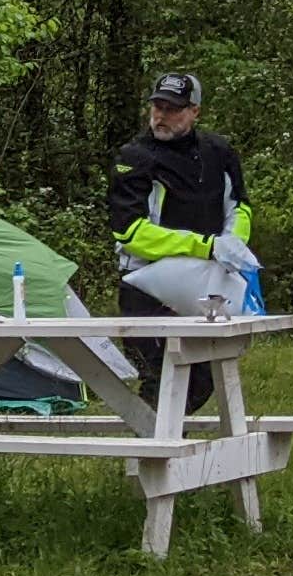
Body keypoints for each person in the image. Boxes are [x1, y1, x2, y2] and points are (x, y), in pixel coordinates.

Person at [106, 72, 254, 414]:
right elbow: (130, 233)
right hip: (147, 284)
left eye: (173, 109)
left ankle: (157, 442)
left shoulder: (219, 151)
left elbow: (240, 206)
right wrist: (204, 245)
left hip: (209, 283)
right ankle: (150, 451)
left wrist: (231, 244)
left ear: (194, 112)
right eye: (157, 106)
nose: (161, 116)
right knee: (159, 372)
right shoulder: (134, 156)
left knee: (203, 378)